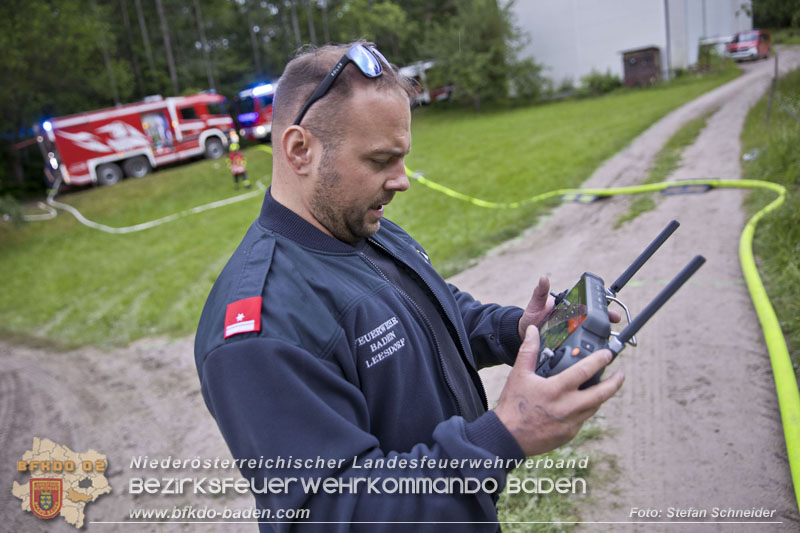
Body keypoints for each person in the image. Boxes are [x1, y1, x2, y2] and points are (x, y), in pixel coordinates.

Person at [194, 41, 624, 532]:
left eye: (402, 159)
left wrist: (518, 329)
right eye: (381, 161)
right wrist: (502, 436)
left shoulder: (360, 223)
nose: (402, 182)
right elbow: (331, 514)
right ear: (299, 150)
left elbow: (431, 308)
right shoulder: (261, 330)